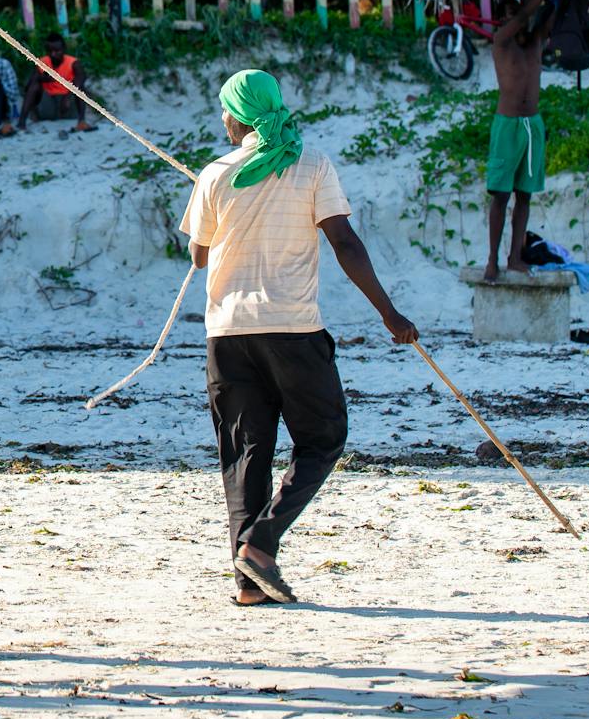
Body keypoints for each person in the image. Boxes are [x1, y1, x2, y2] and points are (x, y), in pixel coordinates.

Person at [179, 69, 418, 607]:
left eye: (225, 110)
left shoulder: (215, 174)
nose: (223, 119)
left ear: (239, 115)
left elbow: (199, 256)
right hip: (293, 331)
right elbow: (345, 243)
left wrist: (211, 207)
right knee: (324, 437)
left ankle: (248, 578)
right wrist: (389, 314)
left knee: (245, 454)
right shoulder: (310, 165)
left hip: (229, 335)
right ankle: (259, 548)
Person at [484, 0, 570, 283]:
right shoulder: (501, 41)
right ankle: (492, 259)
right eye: (505, 15)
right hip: (507, 126)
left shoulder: (534, 42)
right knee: (500, 196)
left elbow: (549, 13)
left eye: (514, 12)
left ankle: (514, 257)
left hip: (532, 126)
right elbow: (523, 18)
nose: (511, 18)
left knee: (524, 195)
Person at [18, 31, 96, 134]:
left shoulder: (73, 62)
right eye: (50, 51)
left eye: (57, 51)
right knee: (34, 85)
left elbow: (82, 77)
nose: (53, 54)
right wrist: (41, 78)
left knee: (81, 87)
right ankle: (22, 122)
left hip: (67, 106)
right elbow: (28, 87)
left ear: (64, 49)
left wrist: (68, 97)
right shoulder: (42, 62)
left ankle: (81, 121)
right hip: (48, 105)